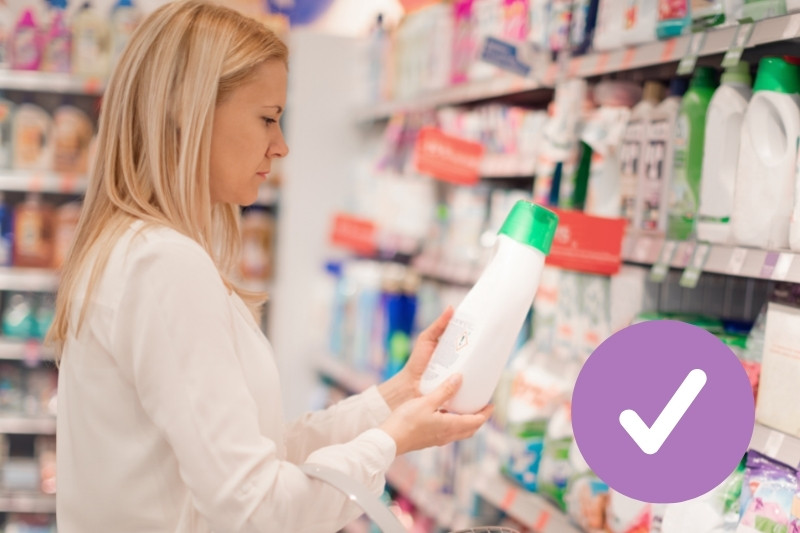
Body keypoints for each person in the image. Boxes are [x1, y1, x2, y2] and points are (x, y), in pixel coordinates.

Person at [47, 2, 493, 532]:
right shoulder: (162, 264)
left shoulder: (130, 248)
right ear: (188, 113)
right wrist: (392, 440)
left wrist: (397, 397)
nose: (280, 146)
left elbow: (260, 452)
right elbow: (257, 509)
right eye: (267, 118)